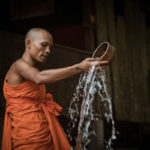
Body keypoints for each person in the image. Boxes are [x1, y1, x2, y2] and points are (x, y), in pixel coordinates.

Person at [2, 28, 108, 150]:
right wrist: (78, 67)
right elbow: (39, 78)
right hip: (27, 134)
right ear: (28, 43)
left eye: (50, 47)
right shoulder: (18, 65)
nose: (47, 51)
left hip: (43, 129)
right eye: (44, 45)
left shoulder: (32, 70)